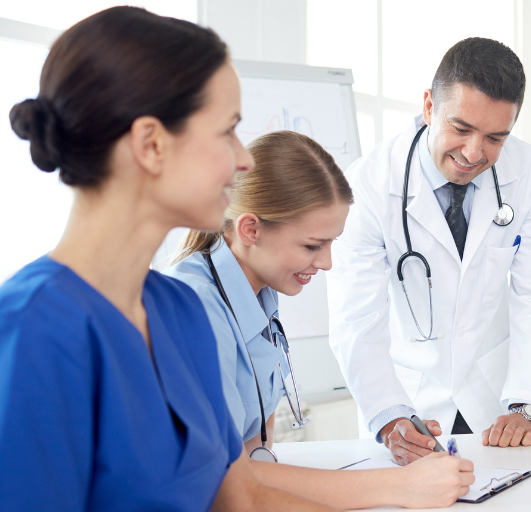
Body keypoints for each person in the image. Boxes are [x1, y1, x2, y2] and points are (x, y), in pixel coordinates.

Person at [0, 7, 341, 511]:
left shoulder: (179, 310)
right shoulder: (35, 330)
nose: (244, 159)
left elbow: (239, 499)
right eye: (227, 130)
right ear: (151, 144)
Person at [165, 130, 473, 509]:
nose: (326, 263)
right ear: (250, 229)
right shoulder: (196, 309)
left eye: (331, 245)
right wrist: (401, 486)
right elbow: (225, 479)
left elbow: (253, 451)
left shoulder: (258, 290)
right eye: (313, 246)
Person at [327, 37, 531, 464]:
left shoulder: (529, 172)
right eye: (461, 128)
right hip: (407, 399)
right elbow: (355, 316)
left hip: (495, 398)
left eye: (495, 137)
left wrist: (525, 405)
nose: (474, 153)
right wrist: (388, 415)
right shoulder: (368, 182)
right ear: (428, 107)